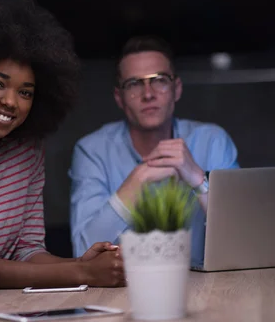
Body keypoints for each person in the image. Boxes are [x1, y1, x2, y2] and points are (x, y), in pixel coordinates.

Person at [0, 0, 125, 290]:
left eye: (26, 92)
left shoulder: (26, 152)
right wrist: (84, 274)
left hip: (11, 306)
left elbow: (27, 250)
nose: (10, 101)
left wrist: (87, 264)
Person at [68, 35, 239, 265]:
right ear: (119, 98)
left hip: (201, 291)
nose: (148, 94)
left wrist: (200, 181)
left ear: (176, 89)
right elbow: (82, 252)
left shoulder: (212, 141)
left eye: (159, 80)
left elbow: (242, 240)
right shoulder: (92, 150)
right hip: (117, 294)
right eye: (134, 84)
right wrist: (140, 177)